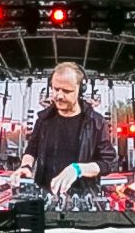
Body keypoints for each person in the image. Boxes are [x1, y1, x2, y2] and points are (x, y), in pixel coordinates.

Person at [11, 62, 115, 198]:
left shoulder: (96, 122)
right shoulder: (43, 120)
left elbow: (109, 162)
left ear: (80, 89)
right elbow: (31, 149)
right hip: (44, 194)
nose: (59, 96)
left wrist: (78, 169)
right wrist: (26, 166)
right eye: (55, 89)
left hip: (83, 197)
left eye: (66, 91)